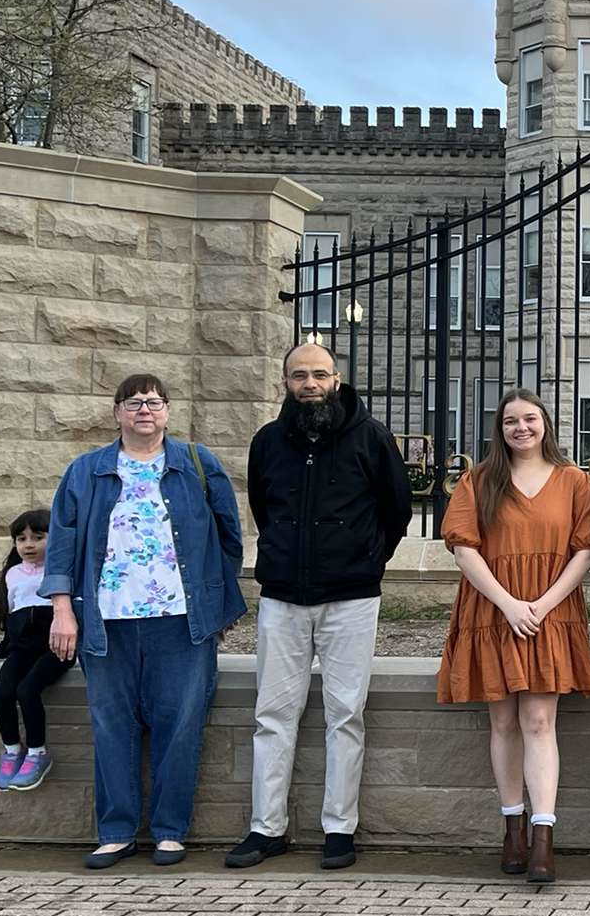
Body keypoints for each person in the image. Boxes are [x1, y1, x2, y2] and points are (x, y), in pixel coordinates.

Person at [43, 375, 246, 870]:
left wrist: (214, 607)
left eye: (154, 402)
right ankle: (115, 832)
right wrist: (63, 609)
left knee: (180, 725)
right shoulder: (86, 470)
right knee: (111, 726)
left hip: (180, 622)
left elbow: (229, 540)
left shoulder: (198, 464)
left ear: (168, 411)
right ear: (116, 412)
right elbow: (62, 544)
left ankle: (170, 832)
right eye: (133, 403)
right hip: (105, 622)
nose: (144, 410)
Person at [226, 343, 412, 871]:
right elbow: (263, 507)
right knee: (272, 715)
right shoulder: (268, 442)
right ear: (285, 382)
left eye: (319, 374)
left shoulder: (371, 438)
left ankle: (339, 828)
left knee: (345, 714)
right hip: (283, 597)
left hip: (351, 598)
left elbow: (396, 509)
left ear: (337, 378)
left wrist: (368, 560)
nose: (310, 383)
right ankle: (266, 828)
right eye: (299, 375)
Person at [436, 388, 590, 886]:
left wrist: (542, 606)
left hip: (550, 610)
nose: (521, 428)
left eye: (530, 418)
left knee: (538, 720)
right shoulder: (480, 480)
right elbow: (463, 548)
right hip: (492, 611)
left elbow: (586, 551)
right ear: (499, 428)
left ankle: (543, 837)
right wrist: (508, 605)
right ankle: (512, 830)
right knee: (503, 720)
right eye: (511, 421)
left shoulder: (575, 481)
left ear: (546, 423)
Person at [0, 507, 69, 793]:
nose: (29, 544)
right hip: (23, 648)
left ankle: (37, 753)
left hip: (55, 648)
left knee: (27, 690)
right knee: (2, 692)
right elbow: (13, 615)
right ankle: (11, 750)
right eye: (21, 539)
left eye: (38, 536)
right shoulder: (13, 574)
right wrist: (1, 649)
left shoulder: (62, 571)